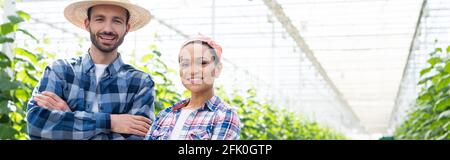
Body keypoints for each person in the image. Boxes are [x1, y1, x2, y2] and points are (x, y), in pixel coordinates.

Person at [26, 0, 155, 140]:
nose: (108, 29)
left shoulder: (140, 83)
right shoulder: (60, 71)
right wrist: (111, 122)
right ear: (87, 24)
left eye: (117, 21)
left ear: (127, 28)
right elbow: (37, 126)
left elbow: (140, 137)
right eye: (100, 19)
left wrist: (68, 117)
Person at [145, 35, 240, 140]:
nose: (193, 71)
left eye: (203, 63)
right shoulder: (165, 115)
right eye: (185, 64)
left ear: (217, 69)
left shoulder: (224, 115)